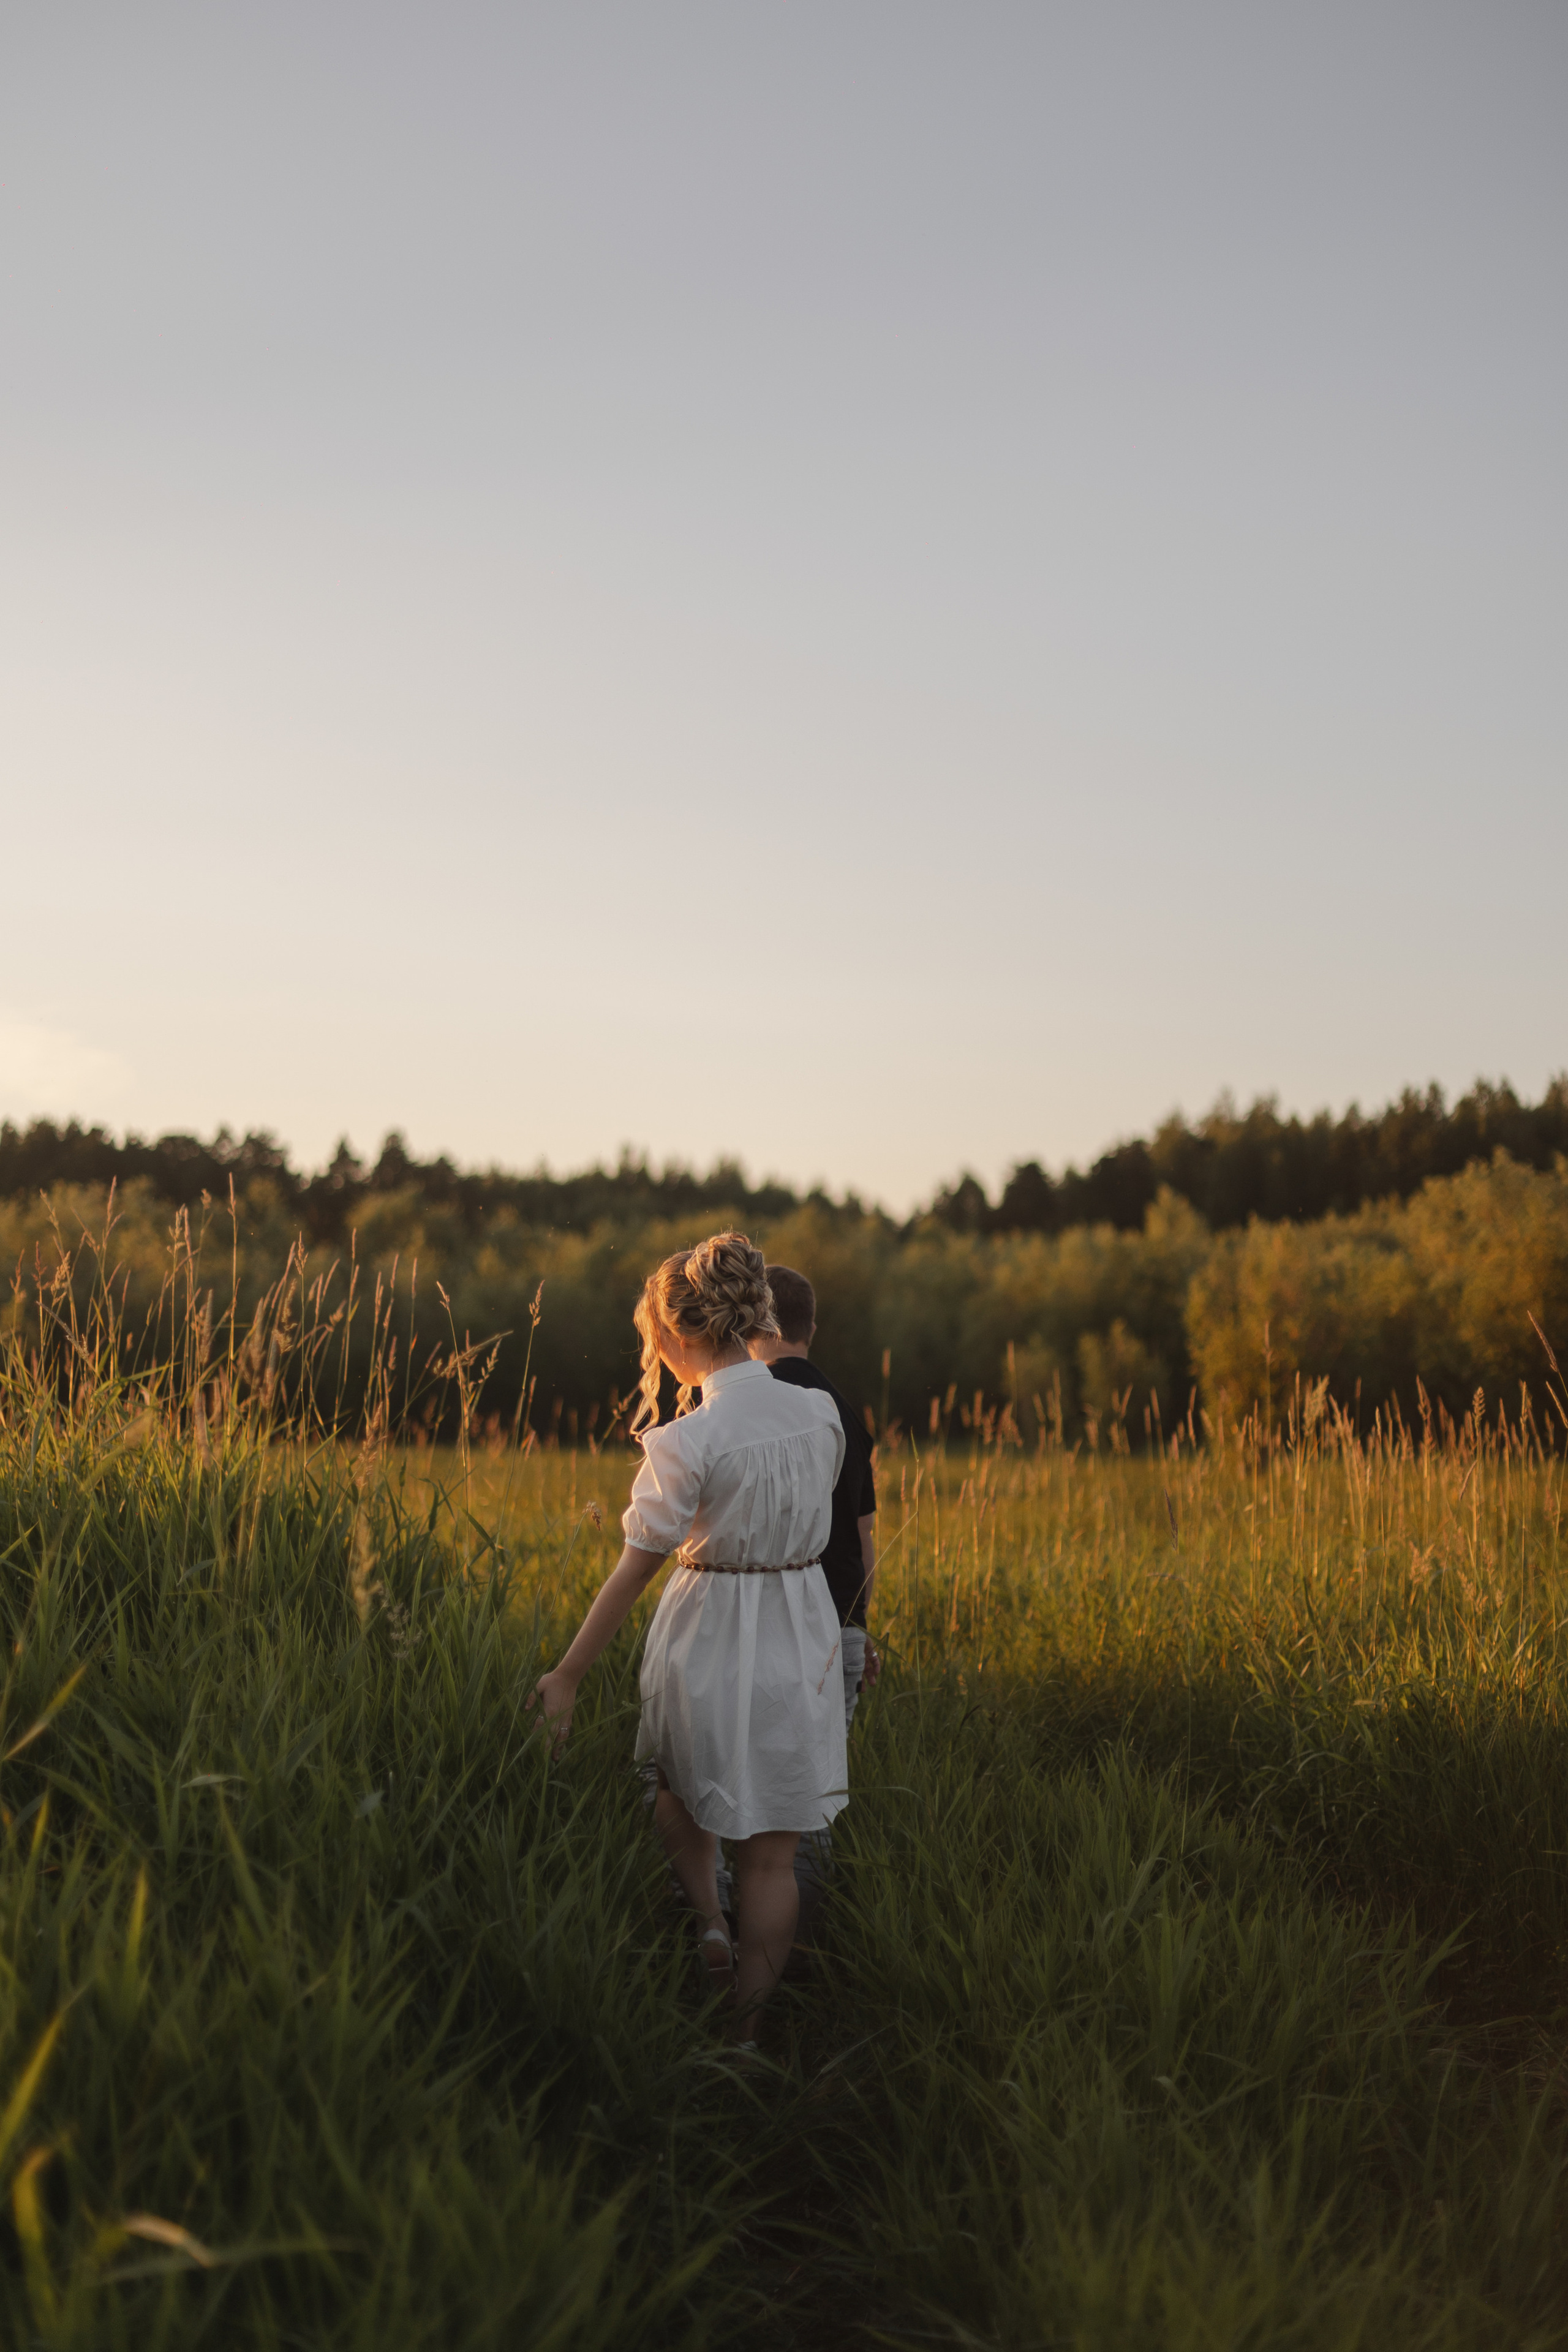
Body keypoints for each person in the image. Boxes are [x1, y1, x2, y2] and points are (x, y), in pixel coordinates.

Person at [529, 1232, 847, 2045]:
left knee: (677, 1785)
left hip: (707, 1629)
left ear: (677, 1336)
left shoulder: (690, 1439)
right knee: (774, 1856)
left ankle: (709, 1920)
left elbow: (635, 1571)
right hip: (798, 1626)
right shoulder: (819, 1411)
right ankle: (744, 2035)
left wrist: (567, 1674)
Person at [752, 1264, 880, 1726]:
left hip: (774, 1627)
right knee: (826, 1789)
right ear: (812, 1329)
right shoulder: (845, 1415)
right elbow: (865, 1539)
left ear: (756, 1323)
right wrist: (857, 1626)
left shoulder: (752, 1408)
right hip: (842, 1625)